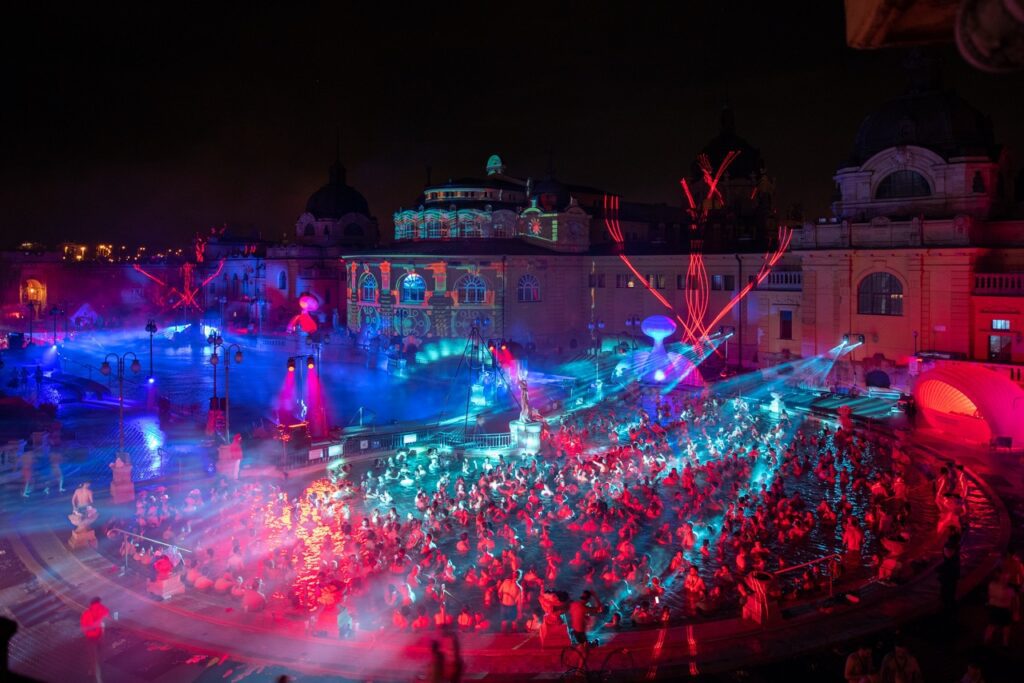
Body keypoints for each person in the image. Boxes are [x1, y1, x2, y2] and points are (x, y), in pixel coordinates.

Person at [80, 597, 111, 682]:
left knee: (93, 655)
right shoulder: (104, 610)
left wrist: (87, 632)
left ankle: (95, 673)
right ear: (99, 602)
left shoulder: (86, 613)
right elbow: (108, 620)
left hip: (90, 636)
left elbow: (83, 626)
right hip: (100, 635)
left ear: (91, 603)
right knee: (99, 652)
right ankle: (96, 668)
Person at [984, 570, 1015, 647]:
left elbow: (1011, 600)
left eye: (1007, 578)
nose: (1006, 579)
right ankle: (987, 641)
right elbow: (1000, 597)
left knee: (1006, 627)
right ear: (999, 577)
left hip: (1004, 609)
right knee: (992, 625)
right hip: (996, 608)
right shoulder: (993, 585)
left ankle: (1005, 643)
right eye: (1004, 578)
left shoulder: (1010, 589)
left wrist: (1014, 610)